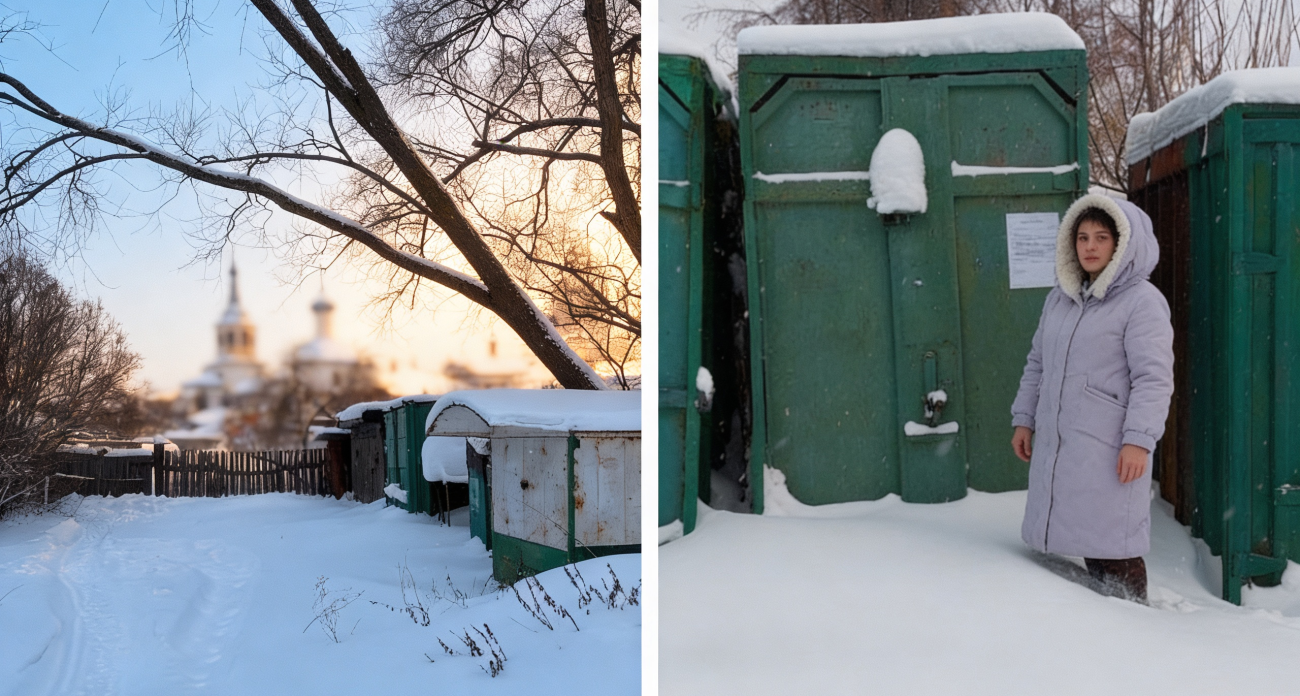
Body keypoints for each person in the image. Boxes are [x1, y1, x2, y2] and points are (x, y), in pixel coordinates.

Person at [1010, 194, 1174, 603]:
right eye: (1082, 237)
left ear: (1123, 245)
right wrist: (1024, 418)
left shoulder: (1142, 302)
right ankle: (1089, 633)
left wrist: (1139, 439)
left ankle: (1137, 628)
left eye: (1102, 237)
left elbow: (1153, 378)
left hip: (1109, 444)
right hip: (1063, 442)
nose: (1090, 246)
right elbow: (1037, 363)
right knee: (1085, 534)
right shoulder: (1060, 298)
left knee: (1113, 544)